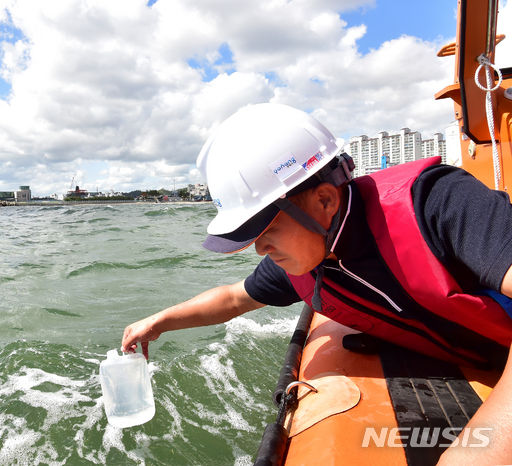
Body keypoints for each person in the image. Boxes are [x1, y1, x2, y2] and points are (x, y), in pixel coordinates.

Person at [120, 103, 512, 463]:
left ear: (324, 201)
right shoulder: (306, 261)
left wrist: (484, 448)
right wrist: (159, 322)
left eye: (266, 228)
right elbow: (234, 298)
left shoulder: (438, 202)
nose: (259, 249)